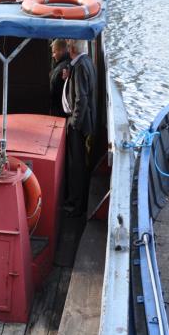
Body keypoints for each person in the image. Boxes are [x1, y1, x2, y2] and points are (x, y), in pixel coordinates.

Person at [61, 39, 97, 216]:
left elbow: (81, 99)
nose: (67, 47)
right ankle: (77, 201)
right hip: (83, 123)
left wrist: (74, 124)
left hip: (79, 126)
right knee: (78, 163)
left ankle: (75, 205)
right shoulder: (86, 62)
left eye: (68, 44)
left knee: (76, 165)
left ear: (71, 48)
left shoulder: (81, 66)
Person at [48, 39, 70, 116]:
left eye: (54, 52)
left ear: (61, 50)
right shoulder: (60, 66)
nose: (53, 55)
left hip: (60, 111)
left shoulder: (64, 67)